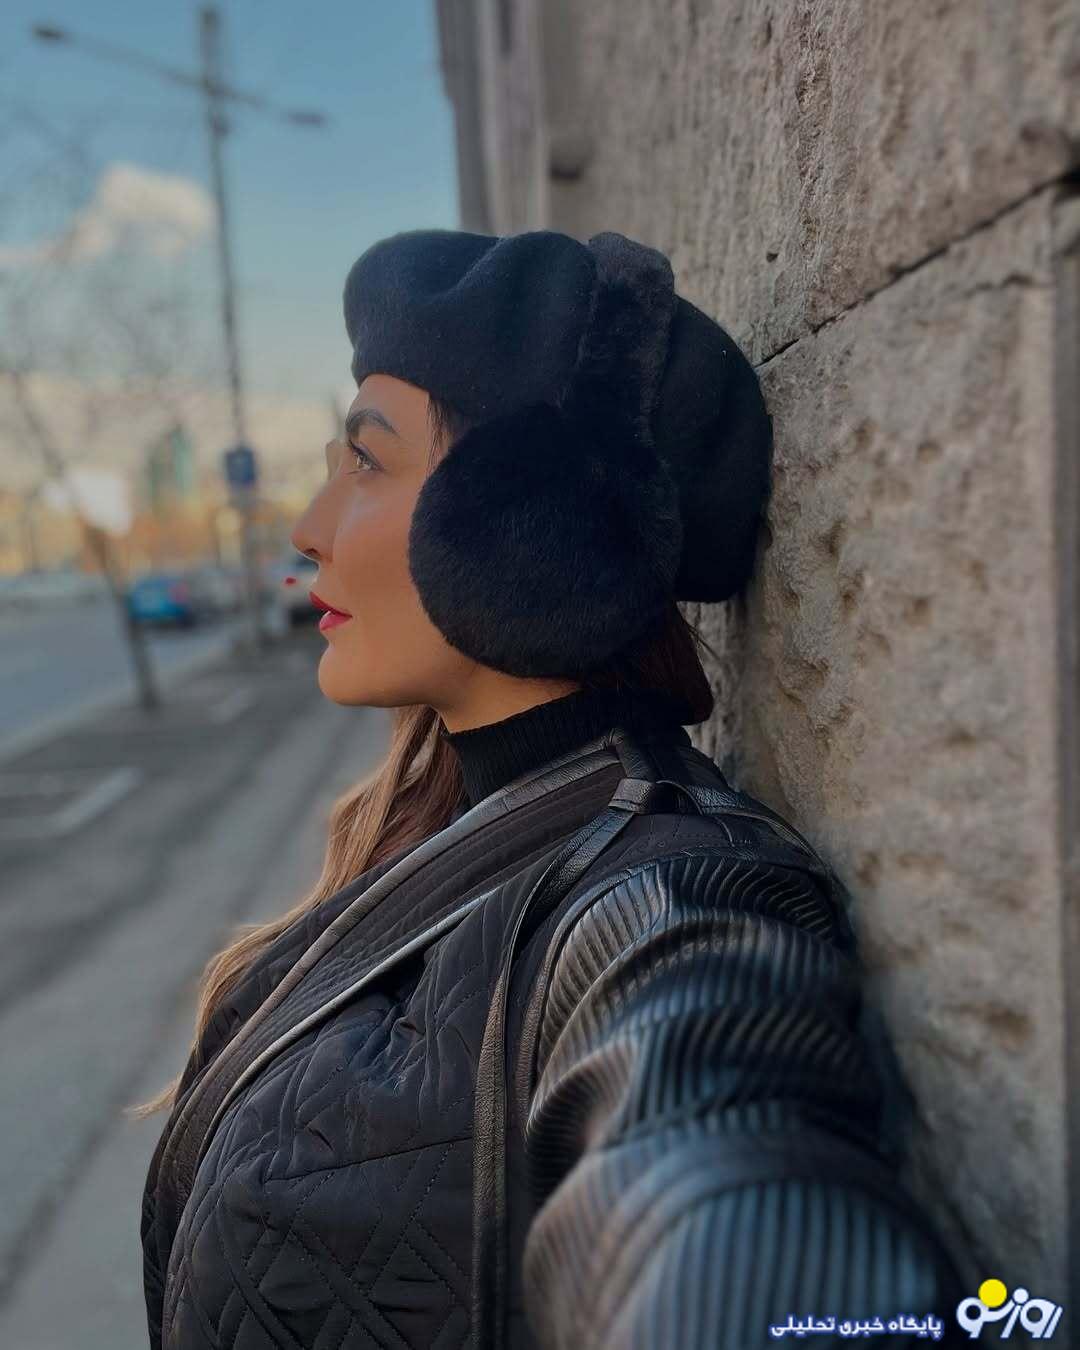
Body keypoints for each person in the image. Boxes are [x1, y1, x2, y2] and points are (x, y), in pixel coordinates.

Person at [138, 228, 968, 1349]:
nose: (307, 529)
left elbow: (714, 1172)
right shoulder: (444, 823)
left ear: (523, 523)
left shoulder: (670, 895)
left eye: (367, 462)